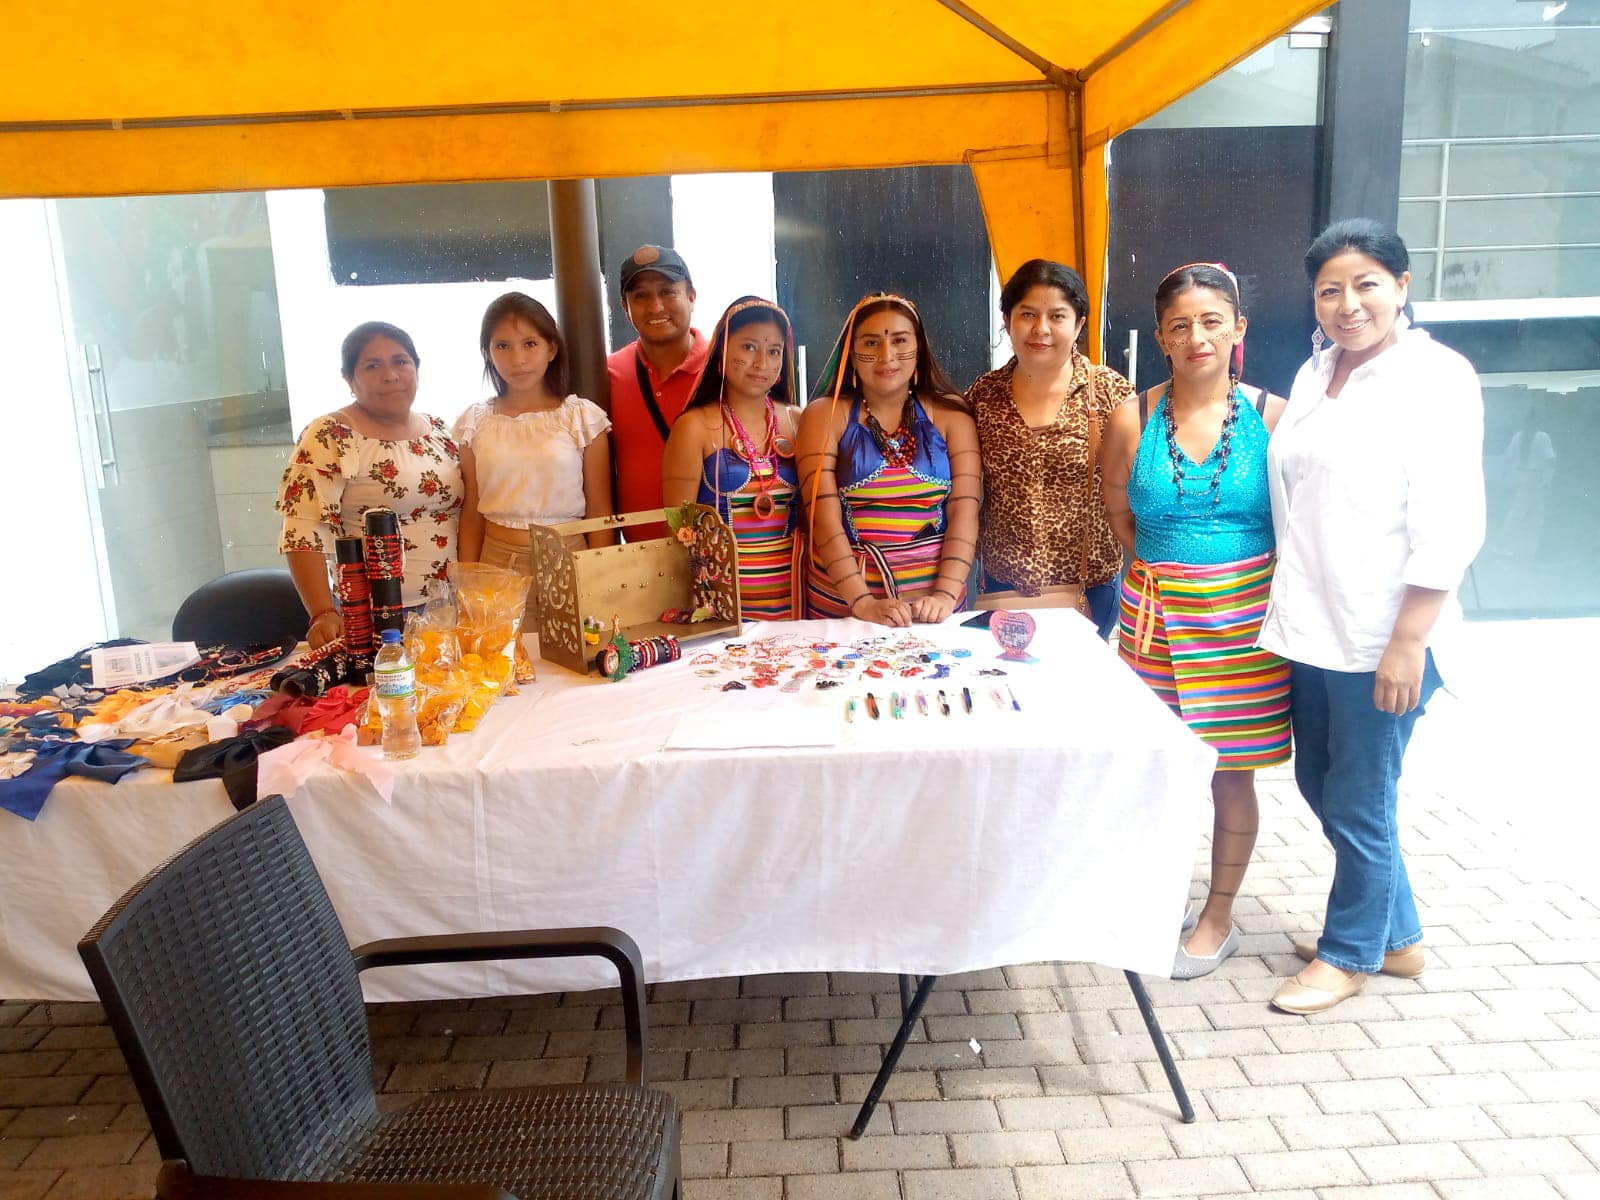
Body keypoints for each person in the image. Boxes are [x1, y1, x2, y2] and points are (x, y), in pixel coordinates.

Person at [1261, 219, 1484, 1014]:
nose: (1348, 304)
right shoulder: (1318, 371)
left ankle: (1350, 952)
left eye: (1366, 285)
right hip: (1314, 623)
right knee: (1318, 778)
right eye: (1330, 290)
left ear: (1402, 285)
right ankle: (1398, 936)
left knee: (1360, 797)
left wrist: (1407, 643)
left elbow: (1450, 519)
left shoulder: (1435, 378)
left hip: (1384, 633)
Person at [1100, 263, 1291, 980]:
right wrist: (1167, 573)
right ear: (1159, 337)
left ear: (1238, 327)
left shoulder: (1275, 416)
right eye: (1179, 326)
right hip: (1152, 617)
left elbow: (1297, 523)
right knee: (1158, 770)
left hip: (1242, 623)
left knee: (1229, 776)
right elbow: (1119, 509)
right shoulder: (1132, 416)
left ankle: (1219, 916)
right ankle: (1158, 896)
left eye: (1212, 321)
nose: (1196, 337)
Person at [967, 260, 1134, 638]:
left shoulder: (1109, 392)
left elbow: (1141, 484)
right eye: (1028, 314)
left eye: (1057, 316)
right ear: (1007, 320)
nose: (1041, 329)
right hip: (1002, 586)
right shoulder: (983, 395)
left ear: (1079, 324)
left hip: (1089, 590)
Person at [276, 321, 463, 649]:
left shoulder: (439, 431)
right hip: (374, 617)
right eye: (372, 366)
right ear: (349, 379)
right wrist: (322, 612)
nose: (390, 375)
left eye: (401, 361)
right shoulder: (330, 435)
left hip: (447, 608)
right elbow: (303, 531)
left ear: (417, 368)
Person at [796, 293, 980, 625]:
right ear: (851, 354)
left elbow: (964, 511)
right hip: (846, 609)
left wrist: (944, 595)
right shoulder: (825, 415)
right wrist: (863, 603)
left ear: (919, 349)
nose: (887, 356)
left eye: (900, 340)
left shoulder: (952, 416)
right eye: (871, 343)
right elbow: (823, 519)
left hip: (934, 611)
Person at [453, 293, 615, 629]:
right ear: (488, 352)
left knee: (578, 658)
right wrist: (466, 584)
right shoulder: (475, 422)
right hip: (497, 563)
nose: (518, 359)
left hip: (569, 558)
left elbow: (600, 510)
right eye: (503, 346)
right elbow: (472, 511)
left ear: (551, 349)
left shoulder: (581, 417)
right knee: (499, 659)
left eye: (530, 344)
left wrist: (599, 579)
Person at [662, 297, 803, 620]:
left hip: (797, 600)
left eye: (774, 351)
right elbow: (676, 532)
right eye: (749, 347)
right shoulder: (694, 427)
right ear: (721, 353)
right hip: (722, 609)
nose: (762, 363)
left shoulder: (798, 421)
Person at [606, 245, 710, 534]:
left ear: (691, 297)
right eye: (640, 296)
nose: (655, 307)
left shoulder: (723, 369)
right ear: (625, 308)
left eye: (668, 292)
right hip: (639, 554)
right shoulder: (608, 374)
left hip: (718, 550)